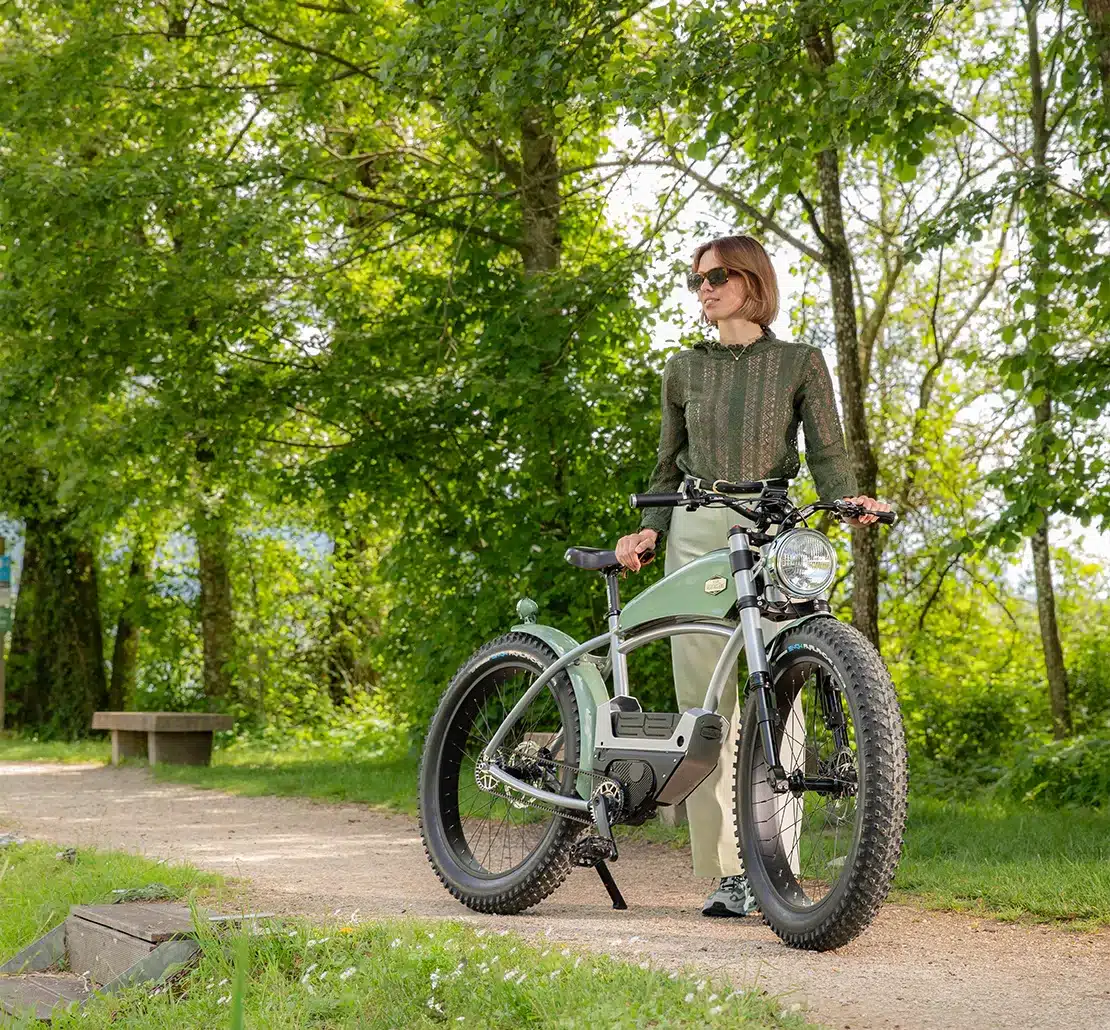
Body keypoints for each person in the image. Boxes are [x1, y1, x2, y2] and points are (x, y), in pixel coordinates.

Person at [613, 235, 890, 917]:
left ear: (751, 281)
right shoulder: (683, 369)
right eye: (696, 279)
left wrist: (851, 496)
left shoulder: (799, 361)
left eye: (716, 276)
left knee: (782, 688)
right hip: (698, 528)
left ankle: (774, 865)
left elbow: (827, 446)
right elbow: (666, 465)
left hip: (772, 529)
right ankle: (728, 873)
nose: (703, 288)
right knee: (704, 704)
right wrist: (650, 526)